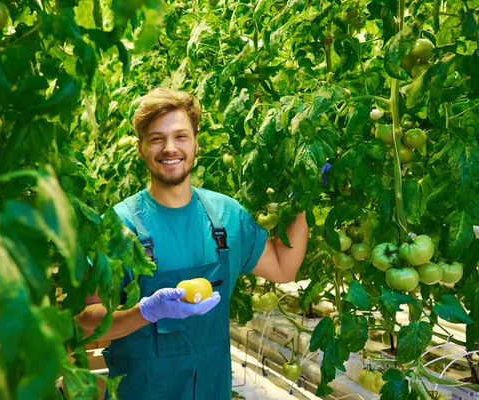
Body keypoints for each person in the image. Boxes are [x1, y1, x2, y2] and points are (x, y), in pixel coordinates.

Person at [76, 88, 309, 400]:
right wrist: (145, 312)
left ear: (196, 142)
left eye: (181, 136)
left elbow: (283, 267)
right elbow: (87, 322)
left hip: (211, 388)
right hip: (143, 390)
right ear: (141, 148)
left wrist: (301, 197)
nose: (170, 148)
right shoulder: (118, 226)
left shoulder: (225, 216)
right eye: (157, 138)